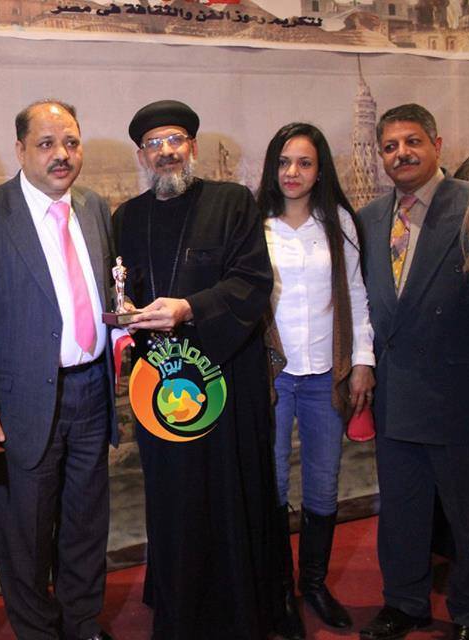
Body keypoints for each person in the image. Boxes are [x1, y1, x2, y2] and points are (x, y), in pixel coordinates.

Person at [113, 99, 278, 640]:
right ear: (142, 156)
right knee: (174, 497)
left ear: (193, 147)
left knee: (230, 493)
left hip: (227, 377)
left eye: (175, 140)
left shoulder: (232, 202)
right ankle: (180, 607)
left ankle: (239, 612)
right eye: (154, 144)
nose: (166, 152)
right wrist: (128, 314)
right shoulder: (126, 218)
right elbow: (123, 292)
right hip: (162, 383)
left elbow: (252, 281)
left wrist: (188, 308)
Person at [0, 100, 117, 640]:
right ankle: (37, 631)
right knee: (23, 531)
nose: (61, 154)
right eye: (47, 144)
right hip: (20, 403)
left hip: (92, 393)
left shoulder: (94, 207)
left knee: (86, 524)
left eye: (71, 142)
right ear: (20, 149)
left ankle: (82, 623)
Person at [356, 103, 469, 640]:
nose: (400, 154)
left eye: (412, 142)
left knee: (468, 514)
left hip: (458, 392)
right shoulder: (370, 219)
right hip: (395, 395)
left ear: (436, 145)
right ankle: (404, 603)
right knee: (401, 510)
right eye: (390, 146)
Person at [257, 122, 376, 637]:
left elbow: (357, 294)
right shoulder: (255, 224)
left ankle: (315, 585)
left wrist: (363, 361)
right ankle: (281, 592)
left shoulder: (340, 223)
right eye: (284, 162)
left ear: (320, 170)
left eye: (304, 163)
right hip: (274, 377)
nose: (293, 172)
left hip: (327, 375)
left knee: (324, 483)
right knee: (274, 484)